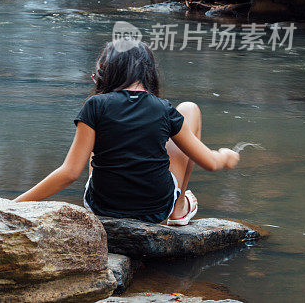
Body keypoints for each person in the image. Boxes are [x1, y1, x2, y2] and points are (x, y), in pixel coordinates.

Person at [14, 41, 240, 225]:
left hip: (102, 208)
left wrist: (13, 205)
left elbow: (70, 173)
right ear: (149, 74)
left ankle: (164, 204)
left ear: (108, 73)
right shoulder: (163, 109)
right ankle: (178, 209)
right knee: (189, 109)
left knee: (99, 138)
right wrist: (226, 156)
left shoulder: (95, 106)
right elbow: (210, 163)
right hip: (156, 211)